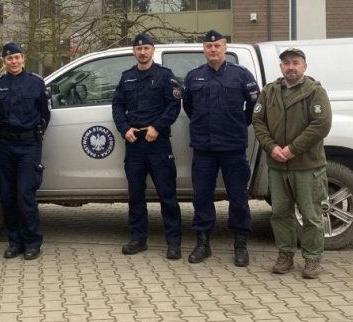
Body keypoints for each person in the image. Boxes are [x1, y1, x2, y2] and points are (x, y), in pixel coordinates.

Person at [251, 48, 332, 279]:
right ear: (281, 67)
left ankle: (312, 259)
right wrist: (272, 147)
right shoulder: (270, 91)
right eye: (286, 63)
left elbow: (321, 125)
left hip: (307, 166)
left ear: (304, 66)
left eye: (296, 63)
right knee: (280, 213)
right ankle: (285, 255)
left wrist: (292, 149)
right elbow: (258, 121)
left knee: (311, 214)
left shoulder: (315, 92)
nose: (291, 67)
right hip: (278, 166)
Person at [182, 30, 260, 266]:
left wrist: (237, 123)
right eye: (208, 46)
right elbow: (189, 108)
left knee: (238, 198)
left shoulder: (241, 75)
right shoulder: (194, 77)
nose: (213, 50)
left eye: (217, 46)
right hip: (204, 148)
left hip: (233, 147)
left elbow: (254, 106)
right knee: (202, 197)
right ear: (204, 49)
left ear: (225, 48)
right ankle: (203, 243)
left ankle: (240, 245)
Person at [111, 33, 183, 260]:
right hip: (134, 144)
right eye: (138, 49)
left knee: (167, 195)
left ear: (153, 50)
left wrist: (157, 127)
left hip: (157, 143)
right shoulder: (127, 77)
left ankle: (174, 242)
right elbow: (117, 105)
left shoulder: (164, 76)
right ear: (134, 51)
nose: (142, 52)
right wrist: (124, 129)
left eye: (146, 49)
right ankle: (138, 238)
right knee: (136, 196)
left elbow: (174, 105)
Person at [0, 42, 50, 261]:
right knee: (7, 195)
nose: (13, 62)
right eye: (9, 58)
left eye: (17, 57)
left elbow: (45, 114)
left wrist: (35, 136)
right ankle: (14, 242)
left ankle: (32, 242)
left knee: (25, 194)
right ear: (3, 61)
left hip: (28, 146)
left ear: (23, 59)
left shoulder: (36, 83)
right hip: (5, 145)